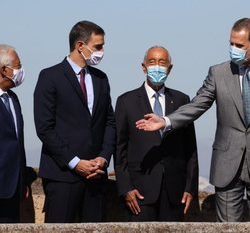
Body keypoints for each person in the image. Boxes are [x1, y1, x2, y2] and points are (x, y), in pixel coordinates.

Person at [136, 18, 250, 222]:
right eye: (231, 44)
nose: (234, 49)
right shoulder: (219, 73)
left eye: (239, 45)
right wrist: (166, 121)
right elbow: (198, 104)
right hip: (228, 165)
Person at [34, 21, 116, 223]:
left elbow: (109, 122)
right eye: (98, 46)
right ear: (80, 45)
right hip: (62, 176)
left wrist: (103, 158)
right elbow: (44, 128)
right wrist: (75, 162)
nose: (102, 51)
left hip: (95, 177)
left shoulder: (101, 79)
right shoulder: (50, 77)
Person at [115, 46, 198, 221]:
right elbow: (119, 149)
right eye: (152, 62)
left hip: (175, 192)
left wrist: (190, 188)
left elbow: (191, 149)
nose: (157, 66)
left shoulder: (182, 100)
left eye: (162, 62)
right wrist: (125, 188)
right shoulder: (126, 101)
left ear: (170, 68)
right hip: (140, 192)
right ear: (143, 66)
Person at [0, 44, 27, 222]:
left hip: (13, 189)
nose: (20, 70)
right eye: (17, 66)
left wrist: (22, 180)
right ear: (4, 70)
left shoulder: (13, 98)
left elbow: (18, 142)